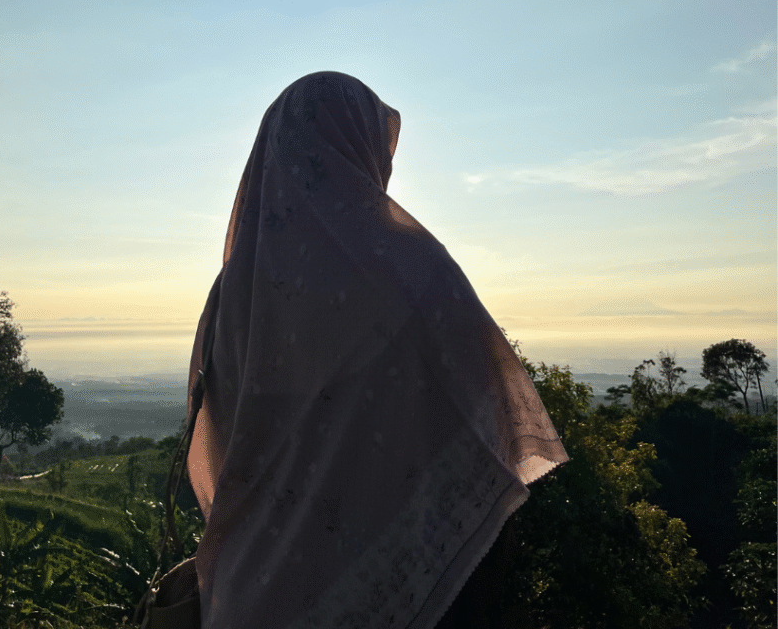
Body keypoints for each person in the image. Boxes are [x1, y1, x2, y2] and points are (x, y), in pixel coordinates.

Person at [185, 72, 567, 629]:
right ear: (357, 147)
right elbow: (481, 427)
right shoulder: (410, 268)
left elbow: (219, 441)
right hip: (403, 590)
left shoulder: (235, 293)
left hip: (250, 594)